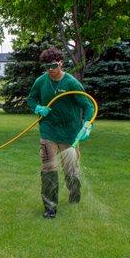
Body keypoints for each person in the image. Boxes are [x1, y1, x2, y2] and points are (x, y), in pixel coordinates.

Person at [26, 47, 95, 219]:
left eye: (54, 65)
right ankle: (50, 207)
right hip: (48, 131)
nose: (50, 69)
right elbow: (31, 99)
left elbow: (88, 106)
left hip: (70, 133)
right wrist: (37, 108)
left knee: (71, 169)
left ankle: (74, 194)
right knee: (48, 167)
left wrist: (87, 124)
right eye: (47, 66)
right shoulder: (41, 81)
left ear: (61, 63)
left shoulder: (71, 83)